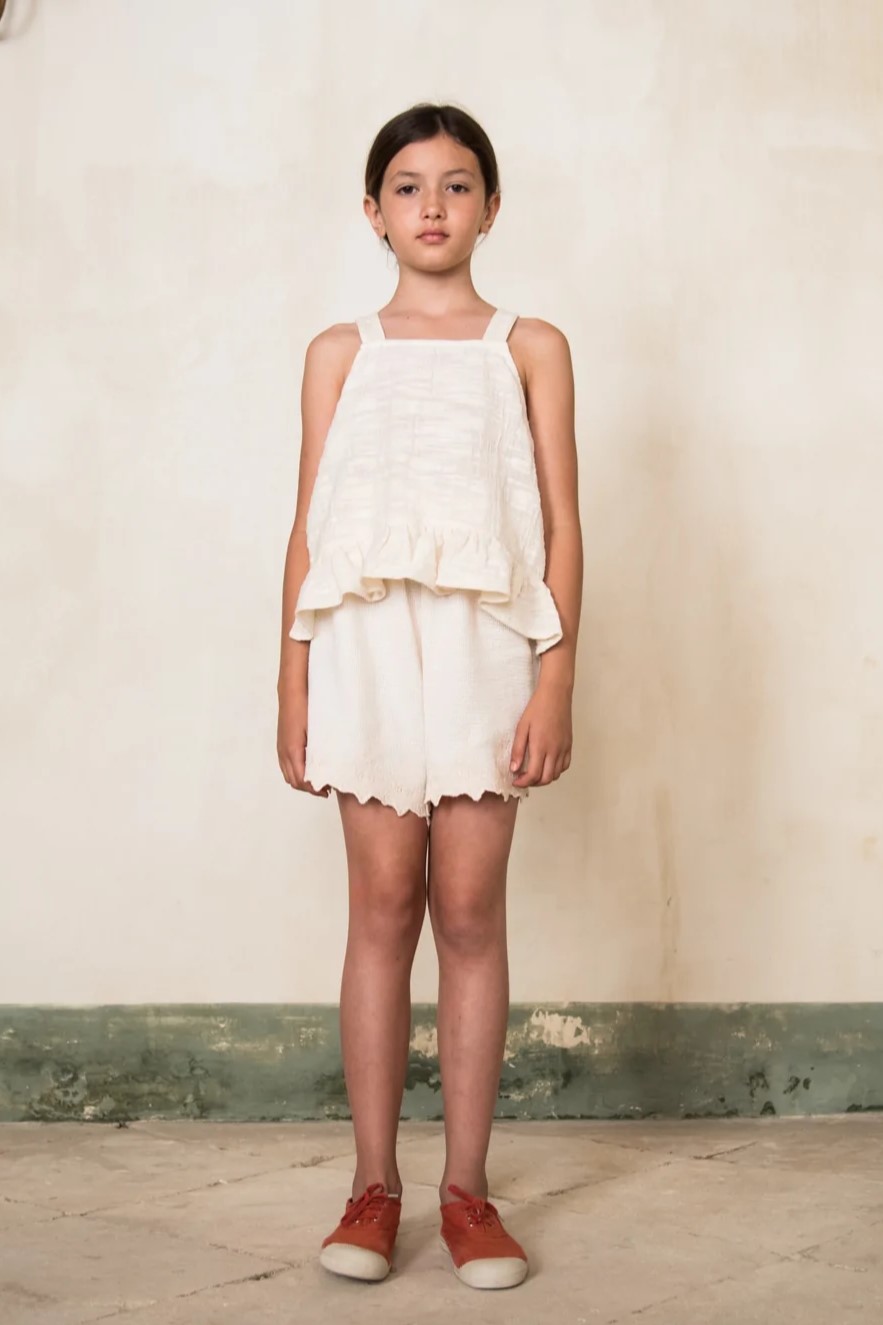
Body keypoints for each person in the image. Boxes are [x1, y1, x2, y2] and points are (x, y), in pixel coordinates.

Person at [276, 101, 583, 1290]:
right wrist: (293, 677)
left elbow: (561, 523)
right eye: (408, 187)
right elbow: (309, 527)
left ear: (490, 207)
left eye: (457, 185)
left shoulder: (529, 345)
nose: (433, 206)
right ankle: (373, 1184)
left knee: (467, 911)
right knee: (380, 908)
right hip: (361, 646)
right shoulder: (339, 351)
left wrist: (554, 675)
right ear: (373, 211)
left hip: (485, 646)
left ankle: (466, 1189)